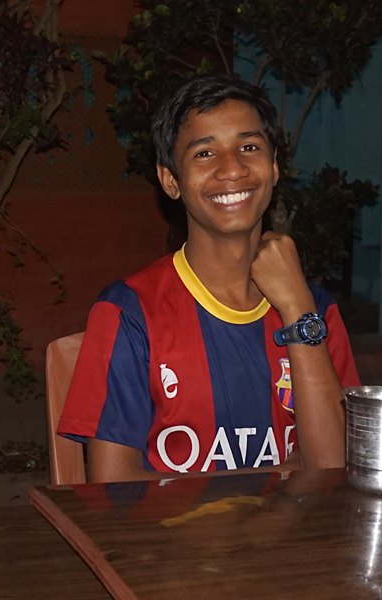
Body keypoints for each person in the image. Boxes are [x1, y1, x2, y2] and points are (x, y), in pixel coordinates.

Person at [58, 74, 360, 482]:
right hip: (182, 531)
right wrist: (274, 479)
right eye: (204, 153)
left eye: (249, 147)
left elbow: (334, 475)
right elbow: (113, 488)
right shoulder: (130, 311)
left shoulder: (316, 311)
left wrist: (297, 307)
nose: (232, 168)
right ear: (171, 180)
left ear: (273, 167)